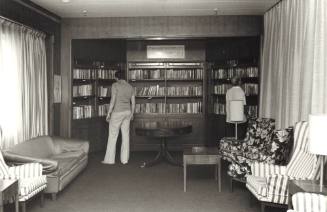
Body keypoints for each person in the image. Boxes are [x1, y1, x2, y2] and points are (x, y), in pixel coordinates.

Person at [102, 71, 135, 165]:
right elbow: (133, 102)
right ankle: (125, 160)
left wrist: (108, 113)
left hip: (117, 112)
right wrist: (132, 114)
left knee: (113, 135)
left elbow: (113, 100)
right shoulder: (130, 87)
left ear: (117, 78)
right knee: (125, 136)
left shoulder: (115, 85)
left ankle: (109, 160)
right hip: (127, 112)